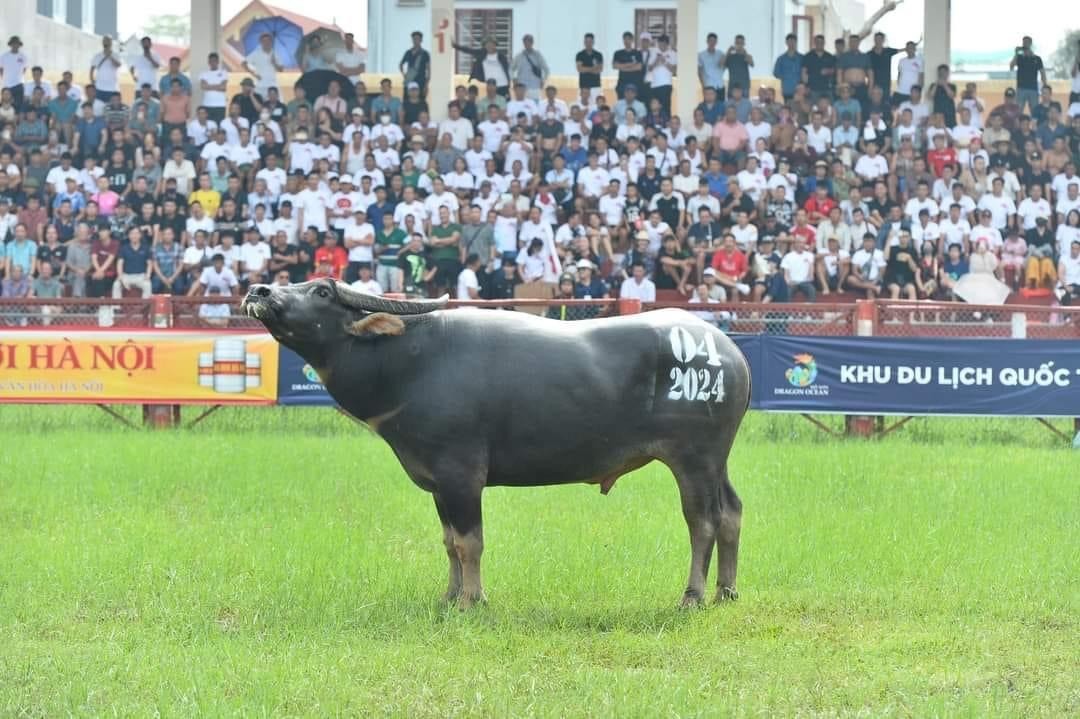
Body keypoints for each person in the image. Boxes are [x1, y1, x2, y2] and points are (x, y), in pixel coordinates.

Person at [1009, 36, 1047, 116]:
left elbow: (1042, 73)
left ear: (1030, 44)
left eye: (1026, 42)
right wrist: (1016, 54)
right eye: (1024, 42)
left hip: (1033, 88)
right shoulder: (1019, 57)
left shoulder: (1037, 58)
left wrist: (1045, 86)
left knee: (1035, 112)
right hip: (1021, 88)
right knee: (1018, 111)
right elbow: (1011, 66)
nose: (1025, 44)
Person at [243, 32, 283, 99]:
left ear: (271, 42)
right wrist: (254, 74)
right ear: (260, 42)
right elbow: (243, 64)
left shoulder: (275, 54)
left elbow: (281, 69)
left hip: (272, 85)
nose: (266, 42)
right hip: (260, 85)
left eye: (268, 40)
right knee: (259, 106)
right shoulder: (256, 53)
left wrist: (274, 63)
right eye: (264, 41)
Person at [511, 35, 549, 101]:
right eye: (525, 42)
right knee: (522, 106)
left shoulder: (538, 55)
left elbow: (546, 69)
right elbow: (510, 69)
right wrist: (513, 79)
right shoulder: (519, 56)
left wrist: (543, 80)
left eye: (529, 42)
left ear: (532, 43)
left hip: (534, 86)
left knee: (535, 106)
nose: (527, 44)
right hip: (522, 86)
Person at [89, 36, 122, 102]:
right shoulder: (97, 55)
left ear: (111, 43)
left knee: (110, 108)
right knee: (99, 107)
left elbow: (118, 65)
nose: (106, 43)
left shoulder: (116, 55)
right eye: (104, 41)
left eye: (108, 41)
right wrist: (92, 80)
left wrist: (110, 56)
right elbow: (92, 68)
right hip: (99, 87)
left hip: (112, 88)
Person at [400, 32, 431, 99]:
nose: (416, 41)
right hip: (409, 81)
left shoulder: (425, 54)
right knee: (406, 102)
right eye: (414, 39)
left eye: (418, 39)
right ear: (412, 40)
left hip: (421, 82)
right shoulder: (408, 52)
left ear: (421, 40)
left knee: (421, 102)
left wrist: (426, 85)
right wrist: (404, 75)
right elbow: (401, 65)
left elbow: (428, 70)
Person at [575, 34, 603, 101]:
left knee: (596, 106)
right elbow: (580, 69)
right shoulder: (580, 55)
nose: (588, 43)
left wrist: (585, 69)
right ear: (584, 42)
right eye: (586, 41)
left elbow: (599, 69)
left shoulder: (598, 55)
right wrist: (593, 68)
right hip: (583, 86)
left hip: (596, 85)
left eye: (590, 41)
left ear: (593, 42)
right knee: (581, 105)